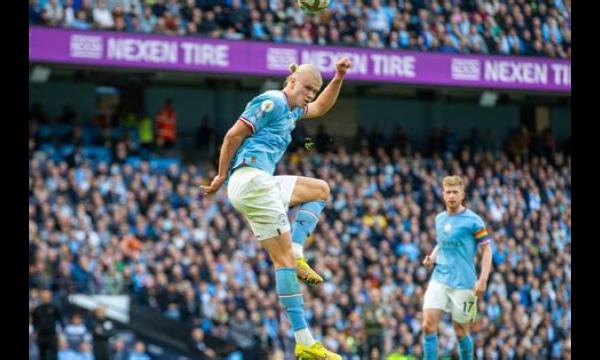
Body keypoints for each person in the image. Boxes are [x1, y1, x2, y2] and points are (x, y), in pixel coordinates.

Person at [202, 58, 352, 359]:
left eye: (314, 89)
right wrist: (220, 174)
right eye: (307, 87)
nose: (310, 93)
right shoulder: (272, 100)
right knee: (282, 262)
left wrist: (338, 77)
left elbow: (321, 107)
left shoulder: (295, 109)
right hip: (251, 180)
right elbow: (233, 135)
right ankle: (305, 340)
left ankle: (298, 254)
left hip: (259, 184)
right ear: (292, 81)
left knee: (320, 190)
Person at [421, 176, 493, 360]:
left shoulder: (474, 221)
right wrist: (432, 257)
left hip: (464, 284)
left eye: (455, 192)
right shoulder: (439, 219)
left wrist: (483, 280)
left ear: (462, 195)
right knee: (428, 325)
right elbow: (442, 243)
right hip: (439, 278)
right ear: (443, 195)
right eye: (448, 192)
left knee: (461, 332)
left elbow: (487, 250)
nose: (451, 196)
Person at [32, 289, 63, 360]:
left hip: (52, 335)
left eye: (47, 295)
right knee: (42, 355)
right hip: (41, 336)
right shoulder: (37, 309)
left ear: (50, 296)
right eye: (44, 295)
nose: (45, 296)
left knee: (53, 355)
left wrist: (61, 334)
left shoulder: (55, 307)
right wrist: (35, 332)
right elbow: (34, 322)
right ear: (40, 296)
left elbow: (60, 321)